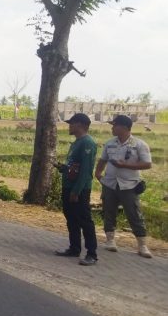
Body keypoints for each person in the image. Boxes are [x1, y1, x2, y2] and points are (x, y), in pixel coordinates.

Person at [95, 114, 153, 258]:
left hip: (129, 185)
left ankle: (142, 245)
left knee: (134, 214)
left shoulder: (139, 144)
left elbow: (147, 164)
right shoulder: (110, 143)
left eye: (115, 125)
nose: (112, 128)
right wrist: (98, 173)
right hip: (110, 183)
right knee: (109, 211)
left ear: (125, 127)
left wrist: (125, 165)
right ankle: (110, 240)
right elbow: (103, 160)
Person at [53, 113, 99, 266]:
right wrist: (64, 169)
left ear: (79, 124)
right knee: (71, 218)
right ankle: (74, 248)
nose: (69, 126)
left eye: (71, 124)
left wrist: (76, 191)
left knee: (84, 220)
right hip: (69, 185)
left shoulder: (88, 143)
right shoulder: (76, 143)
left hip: (79, 189)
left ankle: (91, 253)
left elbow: (86, 171)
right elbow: (75, 167)